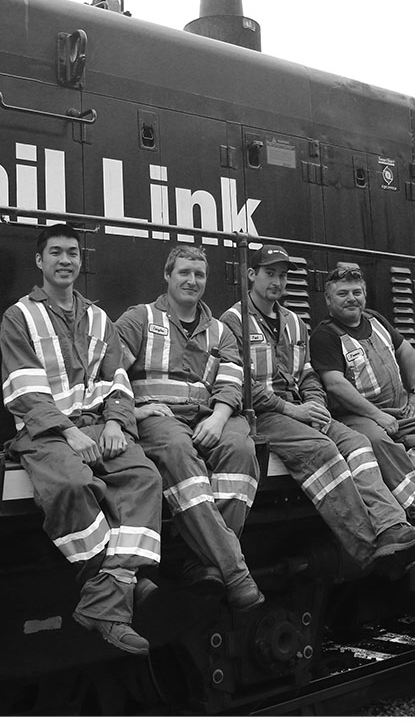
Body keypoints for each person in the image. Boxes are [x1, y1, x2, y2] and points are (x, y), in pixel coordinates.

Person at [220, 245, 415, 574]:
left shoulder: (295, 323)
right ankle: (368, 549)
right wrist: (292, 409)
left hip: (301, 410)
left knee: (357, 443)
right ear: (251, 274)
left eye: (283, 275)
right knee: (324, 449)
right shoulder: (232, 321)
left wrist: (313, 402)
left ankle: (392, 528)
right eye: (270, 273)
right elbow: (241, 383)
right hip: (264, 414)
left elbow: (309, 374)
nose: (278, 281)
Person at [0, 224, 163, 656]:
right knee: (73, 486)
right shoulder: (21, 316)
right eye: (55, 252)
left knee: (144, 476)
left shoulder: (98, 318)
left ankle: (107, 596)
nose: (65, 260)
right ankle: (116, 591)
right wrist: (68, 432)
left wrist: (116, 425)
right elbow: (27, 392)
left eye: (72, 252)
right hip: (46, 433)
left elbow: (119, 383)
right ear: (40, 261)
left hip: (97, 426)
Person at [114, 245, 264, 612]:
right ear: (167, 276)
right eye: (183, 273)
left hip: (208, 416)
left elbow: (231, 382)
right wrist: (137, 407)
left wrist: (218, 418)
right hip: (159, 420)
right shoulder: (138, 319)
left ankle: (203, 562)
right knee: (180, 453)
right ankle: (234, 571)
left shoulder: (220, 332)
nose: (191, 281)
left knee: (241, 451)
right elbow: (109, 370)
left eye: (198, 275)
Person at [309, 265, 415, 538]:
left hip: (397, 410)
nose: (352, 298)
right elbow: (335, 384)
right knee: (379, 442)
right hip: (356, 416)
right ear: (328, 300)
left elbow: (406, 350)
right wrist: (377, 415)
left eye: (357, 292)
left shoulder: (375, 320)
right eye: (343, 294)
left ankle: (392, 493)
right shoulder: (325, 335)